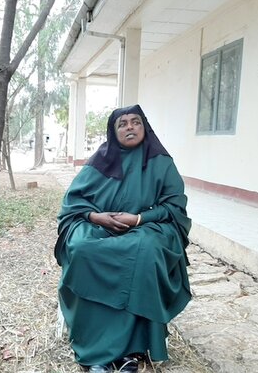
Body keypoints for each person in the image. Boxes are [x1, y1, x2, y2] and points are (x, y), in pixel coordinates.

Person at [54, 104, 192, 372]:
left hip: (147, 227)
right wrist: (96, 217)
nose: (129, 127)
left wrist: (139, 219)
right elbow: (73, 202)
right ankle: (97, 352)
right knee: (82, 248)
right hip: (101, 225)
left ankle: (131, 350)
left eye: (135, 122)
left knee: (146, 251)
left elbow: (175, 208)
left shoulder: (162, 163)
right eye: (123, 123)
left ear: (145, 127)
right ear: (113, 131)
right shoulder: (100, 161)